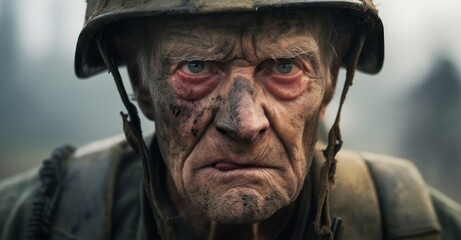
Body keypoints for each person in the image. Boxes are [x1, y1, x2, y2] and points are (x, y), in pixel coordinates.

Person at [1, 0, 460, 239]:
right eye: (196, 67)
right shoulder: (31, 223)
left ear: (330, 83)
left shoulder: (417, 226)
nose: (244, 124)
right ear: (140, 84)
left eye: (284, 68)